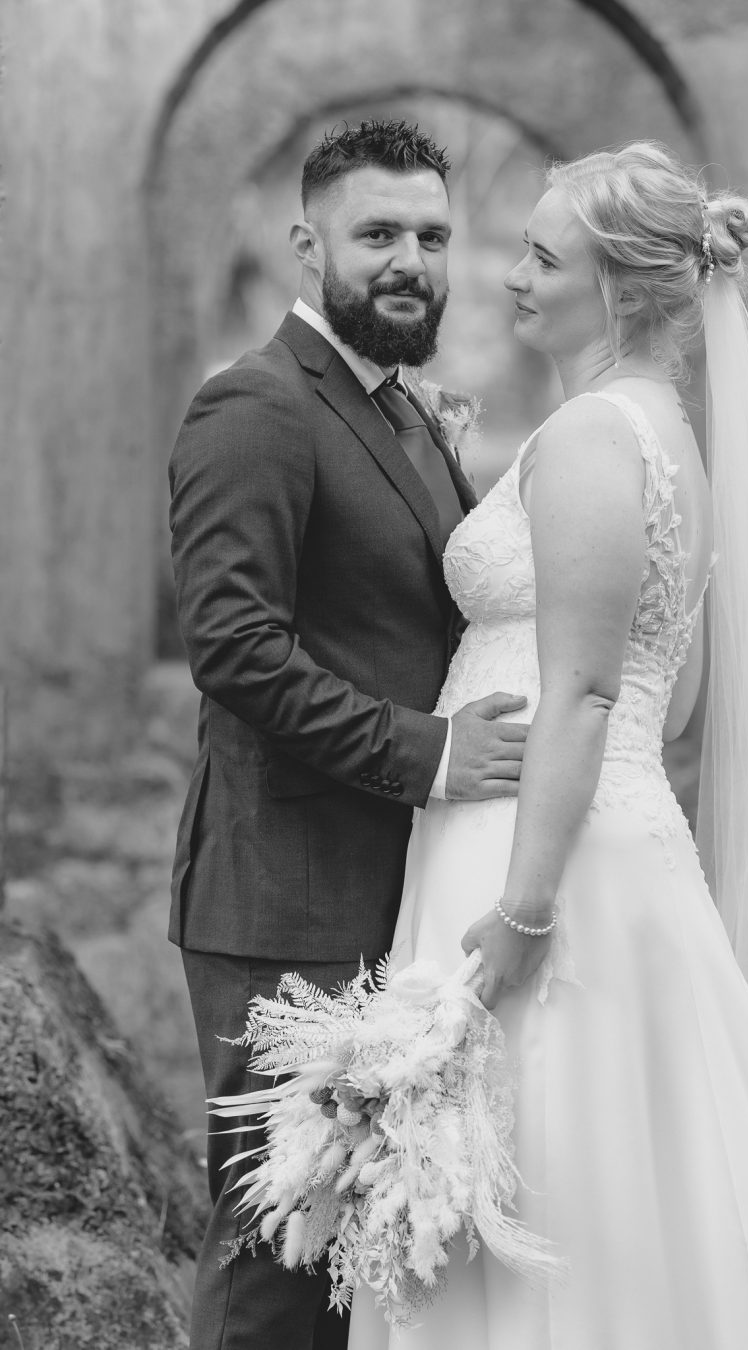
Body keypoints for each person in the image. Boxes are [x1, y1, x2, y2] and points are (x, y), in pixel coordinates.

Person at [347, 141, 748, 1348]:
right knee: (615, 1177)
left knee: (553, 1173)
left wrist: (530, 908)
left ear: (621, 288)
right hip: (594, 833)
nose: (511, 279)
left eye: (544, 259)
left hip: (540, 857)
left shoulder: (601, 437)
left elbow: (590, 694)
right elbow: (677, 699)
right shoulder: (670, 440)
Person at [168, 119, 529, 1350]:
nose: (410, 261)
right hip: (284, 901)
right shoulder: (254, 407)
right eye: (378, 233)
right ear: (305, 243)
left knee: (362, 1251)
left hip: (395, 893)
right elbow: (236, 648)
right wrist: (428, 752)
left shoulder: (402, 412)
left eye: (432, 236)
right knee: (282, 1245)